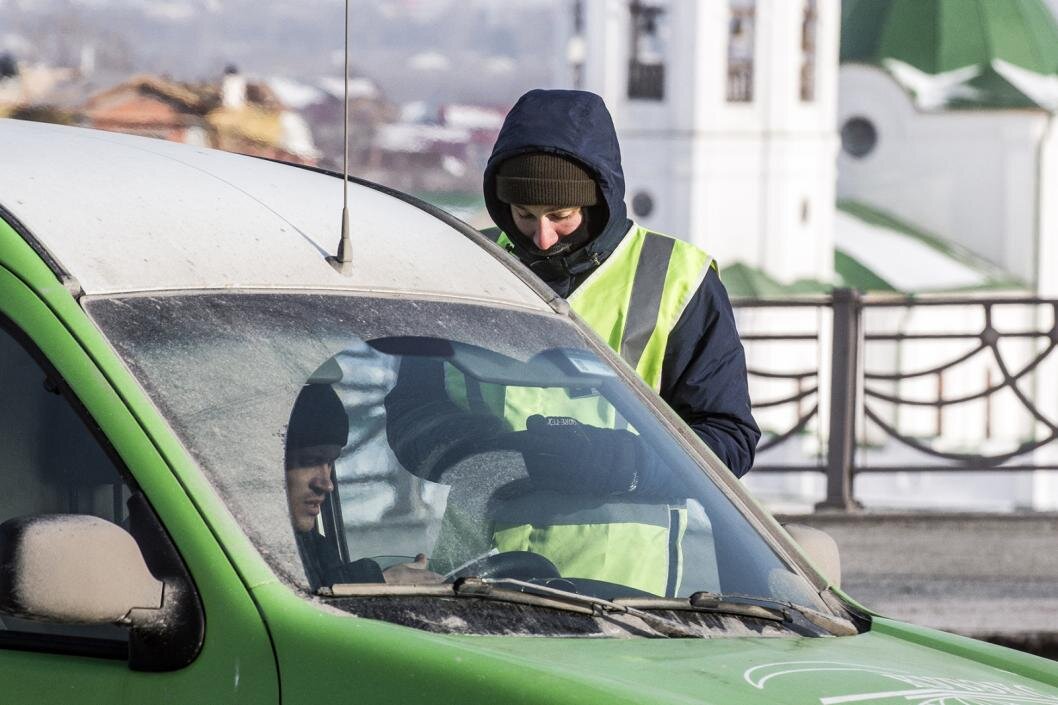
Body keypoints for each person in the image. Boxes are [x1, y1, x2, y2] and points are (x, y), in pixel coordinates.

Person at [481, 89, 759, 478]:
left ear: (596, 203)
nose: (543, 237)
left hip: (629, 533)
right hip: (481, 536)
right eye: (524, 214)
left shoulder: (679, 279)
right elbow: (419, 410)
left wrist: (622, 464)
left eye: (561, 215)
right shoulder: (475, 260)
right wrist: (468, 453)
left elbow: (729, 438)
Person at [285, 381, 439, 587]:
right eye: (309, 462)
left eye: (330, 463)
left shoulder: (314, 548)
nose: (327, 484)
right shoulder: (244, 554)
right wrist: (382, 580)